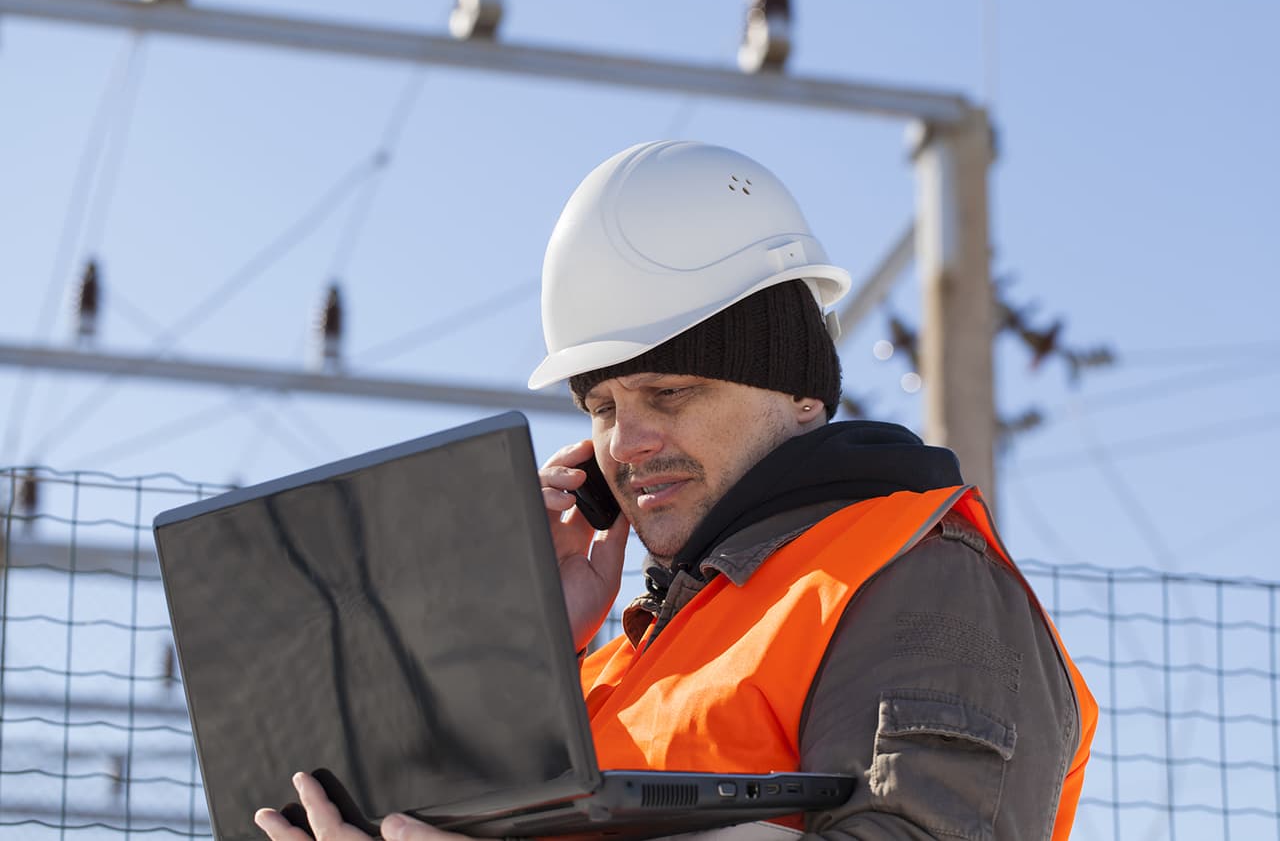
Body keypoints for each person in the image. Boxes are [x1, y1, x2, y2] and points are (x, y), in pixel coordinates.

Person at [254, 140, 1096, 841]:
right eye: (603, 405)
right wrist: (530, 648)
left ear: (801, 393)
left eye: (670, 392)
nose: (624, 441)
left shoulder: (916, 576)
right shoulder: (618, 659)